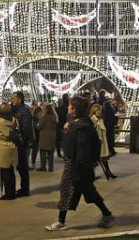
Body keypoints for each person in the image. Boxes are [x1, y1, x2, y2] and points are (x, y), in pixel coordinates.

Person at [46, 95, 114, 231]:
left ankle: (62, 221)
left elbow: (81, 148)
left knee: (73, 191)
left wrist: (77, 168)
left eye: (71, 105)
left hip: (78, 166)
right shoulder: (79, 123)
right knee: (76, 192)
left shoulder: (81, 127)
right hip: (77, 165)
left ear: (75, 108)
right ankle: (62, 220)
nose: (68, 107)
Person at [0, 102, 19, 200]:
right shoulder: (14, 120)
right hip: (12, 146)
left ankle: (7, 194)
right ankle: (12, 191)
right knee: (11, 171)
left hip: (3, 147)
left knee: (4, 171)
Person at [11, 91, 34, 197]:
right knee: (20, 166)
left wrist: (21, 140)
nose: (12, 101)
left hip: (22, 143)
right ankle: (23, 188)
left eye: (13, 98)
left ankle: (25, 189)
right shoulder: (18, 110)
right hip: (19, 142)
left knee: (22, 166)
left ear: (19, 99)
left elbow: (25, 128)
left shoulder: (24, 111)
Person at [90, 104, 116, 179]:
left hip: (102, 142)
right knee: (96, 159)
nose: (99, 112)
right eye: (97, 110)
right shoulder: (93, 119)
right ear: (94, 111)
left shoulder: (100, 120)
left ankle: (108, 172)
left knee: (103, 159)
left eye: (100, 110)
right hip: (97, 142)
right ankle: (93, 174)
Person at [37, 103, 58, 172]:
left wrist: (37, 126)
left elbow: (40, 126)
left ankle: (43, 166)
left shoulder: (44, 117)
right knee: (50, 153)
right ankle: (51, 167)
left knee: (43, 151)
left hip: (44, 135)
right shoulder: (55, 117)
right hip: (52, 135)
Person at [98, 90, 119, 157]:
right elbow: (114, 115)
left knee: (107, 138)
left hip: (106, 125)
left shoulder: (104, 112)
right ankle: (111, 150)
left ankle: (108, 150)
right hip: (110, 126)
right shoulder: (110, 110)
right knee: (110, 138)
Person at [56, 94, 69, 158]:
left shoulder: (57, 109)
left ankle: (59, 153)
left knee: (59, 140)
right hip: (64, 125)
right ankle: (65, 153)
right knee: (64, 140)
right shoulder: (66, 108)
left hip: (59, 126)